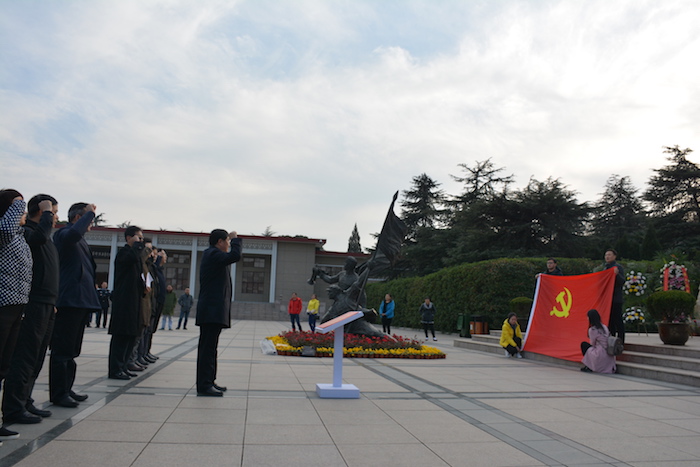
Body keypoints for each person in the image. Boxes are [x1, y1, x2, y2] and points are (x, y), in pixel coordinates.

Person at [2, 195, 59, 431]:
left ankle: (25, 400)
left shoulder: (37, 234)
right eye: (52, 212)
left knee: (35, 356)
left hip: (45, 301)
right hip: (30, 302)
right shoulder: (28, 233)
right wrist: (45, 212)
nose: (54, 217)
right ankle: (14, 406)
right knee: (24, 357)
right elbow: (38, 238)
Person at [50, 202, 100, 408]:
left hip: (80, 301)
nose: (91, 224)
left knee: (72, 351)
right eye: (89, 220)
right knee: (62, 350)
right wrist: (90, 213)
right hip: (69, 300)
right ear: (78, 218)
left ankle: (67, 388)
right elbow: (72, 234)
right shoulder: (64, 234)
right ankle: (59, 393)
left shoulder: (80, 241)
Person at [0, 190, 32, 441]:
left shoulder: (19, 235)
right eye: (18, 207)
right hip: (3, 304)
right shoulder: (5, 231)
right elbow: (4, 230)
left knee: (3, 366)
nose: (22, 212)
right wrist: (17, 203)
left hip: (17, 305)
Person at [195, 229, 241, 397]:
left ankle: (209, 381)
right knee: (207, 350)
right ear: (219, 242)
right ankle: (204, 385)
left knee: (211, 349)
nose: (229, 244)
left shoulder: (214, 255)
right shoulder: (212, 254)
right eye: (227, 241)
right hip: (211, 311)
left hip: (214, 310)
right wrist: (236, 240)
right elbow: (235, 256)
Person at [108, 226, 145, 380]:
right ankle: (115, 368)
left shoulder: (135, 254)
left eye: (142, 238)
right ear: (129, 238)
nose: (140, 241)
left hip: (134, 301)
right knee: (121, 336)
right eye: (138, 237)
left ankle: (124, 366)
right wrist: (136, 246)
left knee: (131, 335)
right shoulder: (124, 253)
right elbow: (131, 259)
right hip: (124, 302)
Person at [580, 309, 616, 374]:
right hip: (608, 353)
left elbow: (592, 343)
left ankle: (589, 366)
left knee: (584, 345)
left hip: (600, 353)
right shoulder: (604, 327)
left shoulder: (592, 329)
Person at [604, 249, 625, 344]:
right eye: (606, 255)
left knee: (618, 321)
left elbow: (622, 282)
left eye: (609, 255)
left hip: (616, 299)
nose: (607, 257)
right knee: (610, 321)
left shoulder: (618, 267)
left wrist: (616, 274)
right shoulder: (605, 268)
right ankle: (611, 341)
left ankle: (621, 341)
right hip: (607, 299)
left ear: (614, 256)